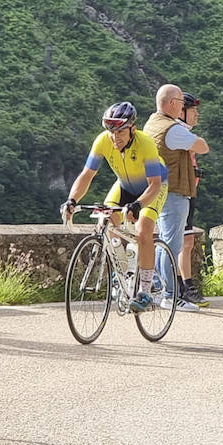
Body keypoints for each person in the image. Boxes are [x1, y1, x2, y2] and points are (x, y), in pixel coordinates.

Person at [61, 102, 167, 312]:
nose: (115, 137)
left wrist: (138, 205)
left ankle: (145, 290)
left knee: (144, 229)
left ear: (132, 129)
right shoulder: (103, 141)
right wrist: (72, 200)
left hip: (153, 187)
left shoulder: (145, 144)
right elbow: (86, 175)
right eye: (111, 132)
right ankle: (124, 274)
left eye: (120, 132)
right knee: (107, 221)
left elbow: (155, 185)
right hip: (124, 186)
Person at [143, 84, 209, 310]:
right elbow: (203, 147)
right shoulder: (173, 129)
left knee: (162, 242)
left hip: (156, 190)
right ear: (173, 104)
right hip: (174, 191)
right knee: (172, 244)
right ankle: (171, 296)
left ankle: (159, 290)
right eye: (181, 103)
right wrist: (189, 135)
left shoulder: (152, 123)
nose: (183, 106)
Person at [179, 92, 209, 307]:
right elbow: (203, 146)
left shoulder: (183, 131)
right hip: (180, 193)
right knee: (180, 242)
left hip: (188, 191)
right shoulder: (179, 132)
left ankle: (185, 285)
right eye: (193, 110)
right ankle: (182, 288)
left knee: (186, 242)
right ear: (181, 111)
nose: (197, 114)